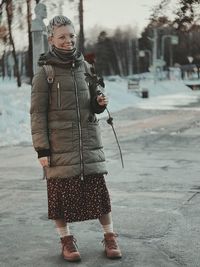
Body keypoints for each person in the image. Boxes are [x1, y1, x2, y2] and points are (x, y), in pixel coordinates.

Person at [30, 15, 122, 262]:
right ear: (51, 39)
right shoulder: (44, 73)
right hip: (59, 146)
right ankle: (66, 241)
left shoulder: (87, 68)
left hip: (88, 143)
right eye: (61, 37)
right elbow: (37, 114)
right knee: (59, 197)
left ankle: (110, 236)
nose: (68, 41)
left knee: (99, 193)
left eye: (71, 36)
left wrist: (99, 103)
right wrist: (42, 149)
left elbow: (93, 105)